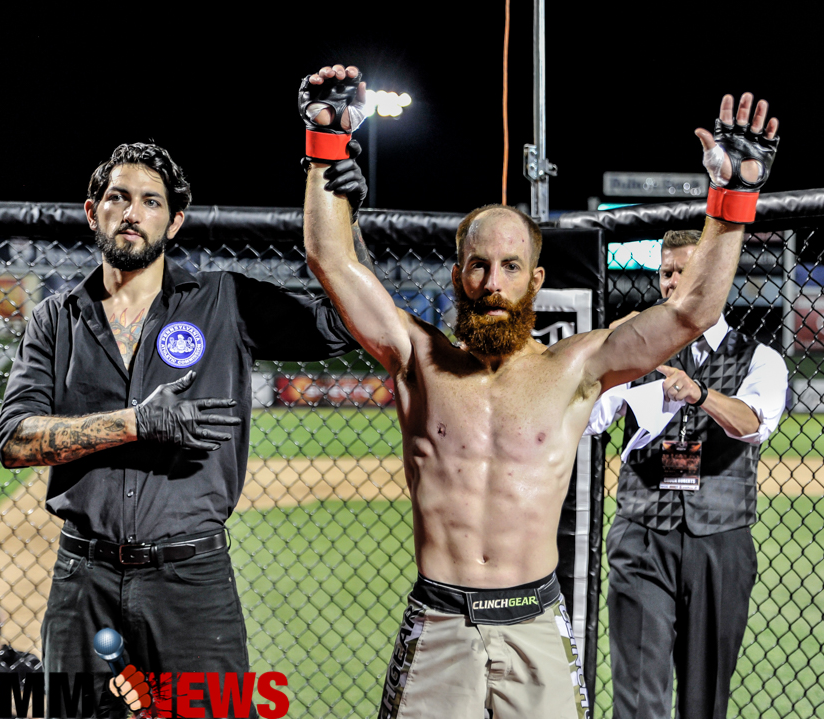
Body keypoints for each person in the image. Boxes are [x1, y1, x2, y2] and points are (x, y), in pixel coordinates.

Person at [300, 63, 780, 719]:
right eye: (478, 265)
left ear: (536, 280)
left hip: (534, 620)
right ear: (458, 275)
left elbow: (693, 311)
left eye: (510, 266)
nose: (492, 283)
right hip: (439, 620)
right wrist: (325, 142)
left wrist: (733, 196)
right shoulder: (417, 357)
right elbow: (331, 259)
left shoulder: (576, 367)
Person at [0, 142, 368, 717]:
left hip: (191, 581)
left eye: (151, 201)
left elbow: (345, 323)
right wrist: (137, 423)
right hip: (83, 580)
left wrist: (346, 220)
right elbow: (14, 440)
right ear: (93, 211)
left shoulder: (224, 301)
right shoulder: (55, 318)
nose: (132, 213)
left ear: (174, 221)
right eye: (118, 198)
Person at [584, 228, 788, 719]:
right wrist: (605, 350)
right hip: (642, 535)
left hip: (720, 541)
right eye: (666, 272)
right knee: (637, 698)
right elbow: (592, 419)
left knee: (704, 700)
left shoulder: (760, 358)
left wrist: (699, 393)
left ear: (715, 277)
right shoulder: (635, 350)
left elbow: (753, 423)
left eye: (685, 271)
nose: (672, 282)